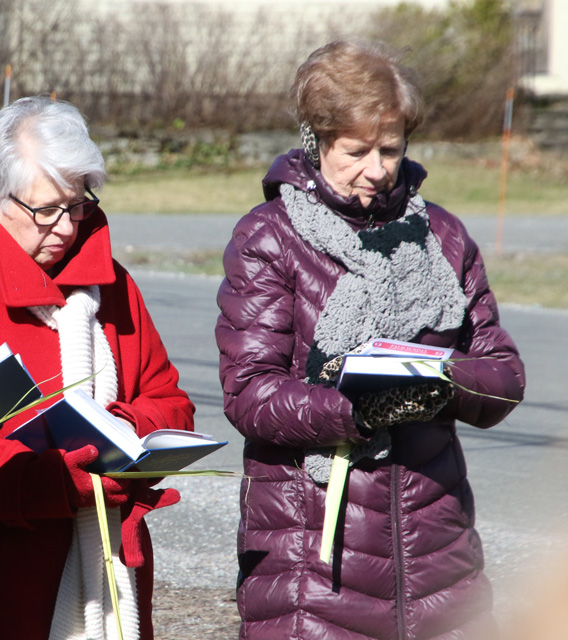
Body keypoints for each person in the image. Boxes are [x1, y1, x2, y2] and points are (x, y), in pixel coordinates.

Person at [215, 41, 526, 639]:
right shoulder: (269, 238)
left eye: (391, 149)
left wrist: (442, 383)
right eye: (356, 151)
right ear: (317, 144)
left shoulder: (443, 235)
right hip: (315, 556)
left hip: (438, 552)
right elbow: (249, 394)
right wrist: (352, 408)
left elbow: (503, 375)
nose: (378, 169)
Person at [0, 96, 196, 639]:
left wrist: (121, 432)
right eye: (45, 209)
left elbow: (169, 400)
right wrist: (52, 479)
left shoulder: (113, 284)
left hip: (108, 576)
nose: (65, 227)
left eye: (77, 206)